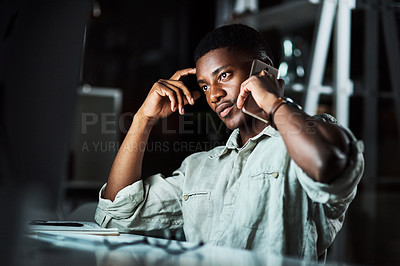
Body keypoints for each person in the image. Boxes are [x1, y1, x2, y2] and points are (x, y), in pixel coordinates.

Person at [95, 24, 364, 260]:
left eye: (224, 76)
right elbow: (116, 214)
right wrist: (144, 119)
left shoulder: (309, 140)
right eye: (204, 86)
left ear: (264, 68)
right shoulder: (198, 167)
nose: (214, 95)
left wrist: (272, 101)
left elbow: (326, 161)